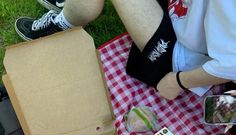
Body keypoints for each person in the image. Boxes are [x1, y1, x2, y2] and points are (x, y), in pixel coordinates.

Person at [15, 0, 236, 100]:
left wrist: (176, 81)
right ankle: (74, 5)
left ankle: (63, 22)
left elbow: (231, 65)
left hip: (181, 57)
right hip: (185, 17)